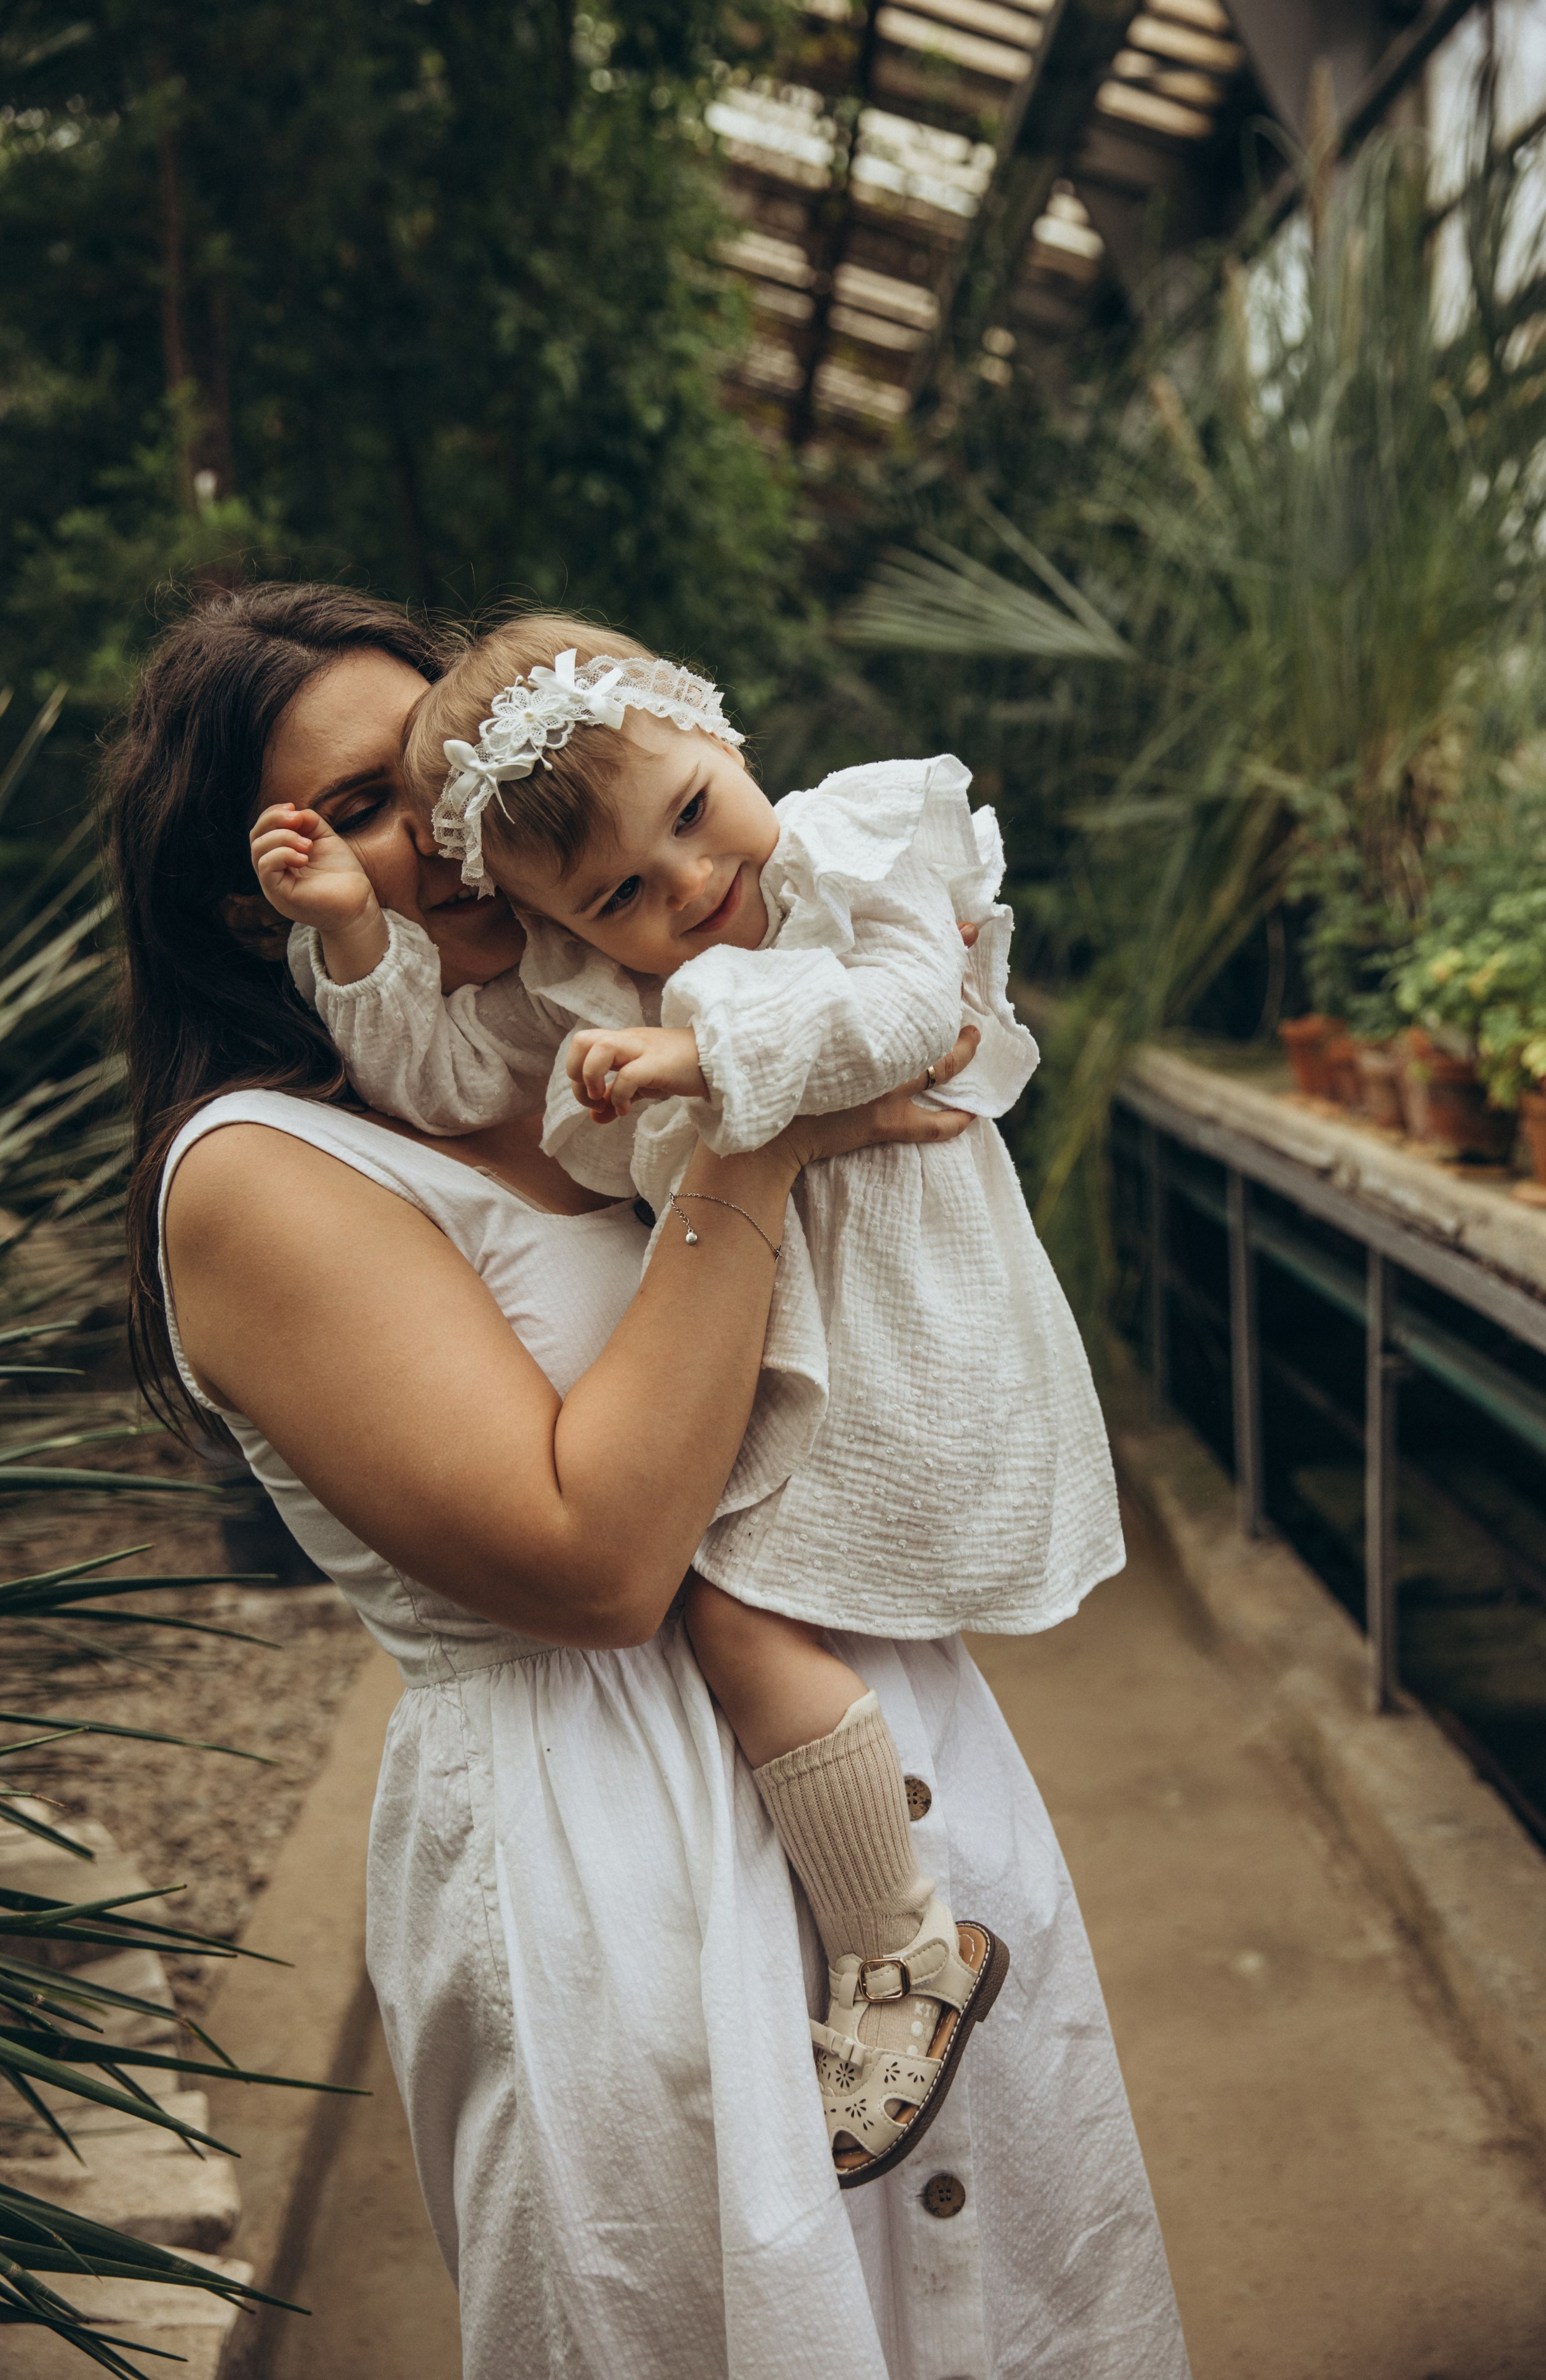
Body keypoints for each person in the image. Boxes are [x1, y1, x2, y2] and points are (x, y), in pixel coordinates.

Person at [109, 581, 1190, 2378]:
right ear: (257, 888)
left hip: (889, 1771)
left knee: (1010, 2314)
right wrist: (761, 1156)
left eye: (432, 774)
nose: (436, 840)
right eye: (363, 807)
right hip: (614, 1845)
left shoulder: (574, 1027)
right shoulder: (262, 1172)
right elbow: (596, 1561)